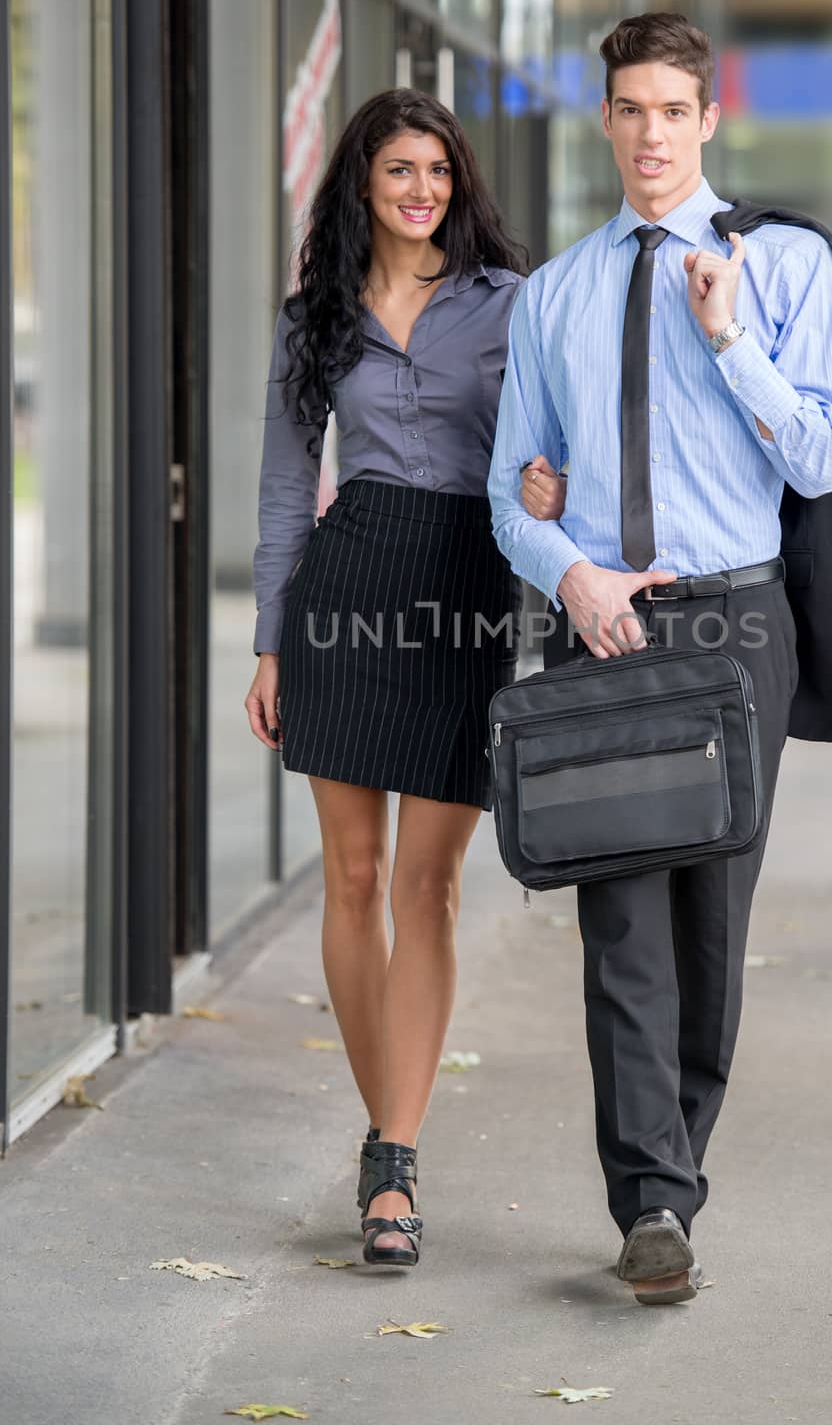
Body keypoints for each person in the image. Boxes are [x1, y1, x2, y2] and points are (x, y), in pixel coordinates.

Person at [488, 13, 832, 1304]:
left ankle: (674, 1174)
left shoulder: (787, 268)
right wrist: (567, 572)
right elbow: (509, 493)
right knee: (621, 923)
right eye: (628, 109)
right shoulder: (554, 295)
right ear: (605, 121)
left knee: (710, 931)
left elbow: (818, 457)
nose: (650, 134)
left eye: (671, 111)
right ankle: (649, 1201)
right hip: (608, 623)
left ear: (710, 121)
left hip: (737, 623)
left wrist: (729, 337)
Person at [244, 89, 563, 1269]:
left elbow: (554, 449)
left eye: (436, 170)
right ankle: (394, 1160)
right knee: (353, 874)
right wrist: (271, 641)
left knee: (425, 889)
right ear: (362, 190)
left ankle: (392, 1149)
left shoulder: (509, 304)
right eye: (399, 174)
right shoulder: (313, 318)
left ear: (456, 180)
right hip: (347, 590)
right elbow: (286, 491)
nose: (422, 192)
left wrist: (549, 490)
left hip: (465, 588)